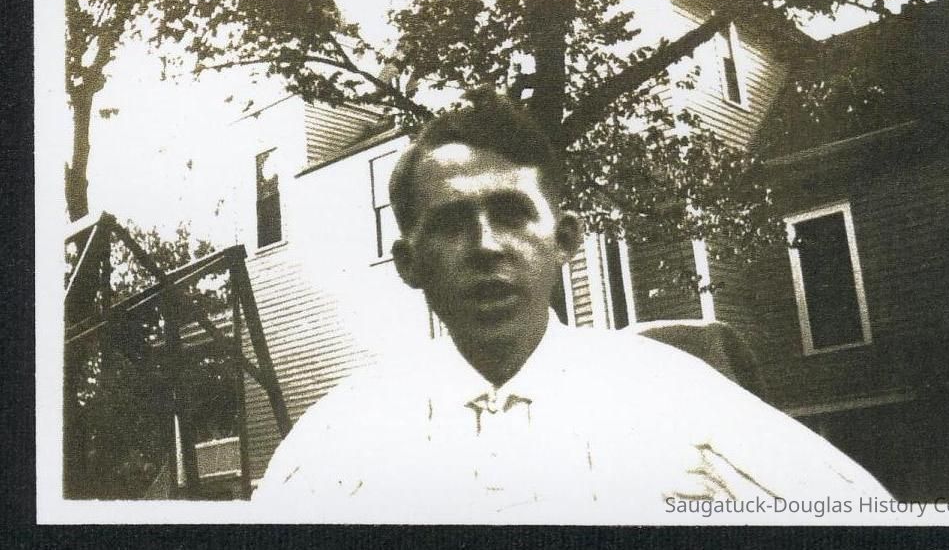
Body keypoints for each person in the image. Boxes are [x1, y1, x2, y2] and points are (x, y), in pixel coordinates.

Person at [252, 90, 890, 522]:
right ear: (408, 263)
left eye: (511, 214)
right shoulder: (339, 439)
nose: (486, 246)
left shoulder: (676, 396)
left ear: (564, 240)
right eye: (449, 223)